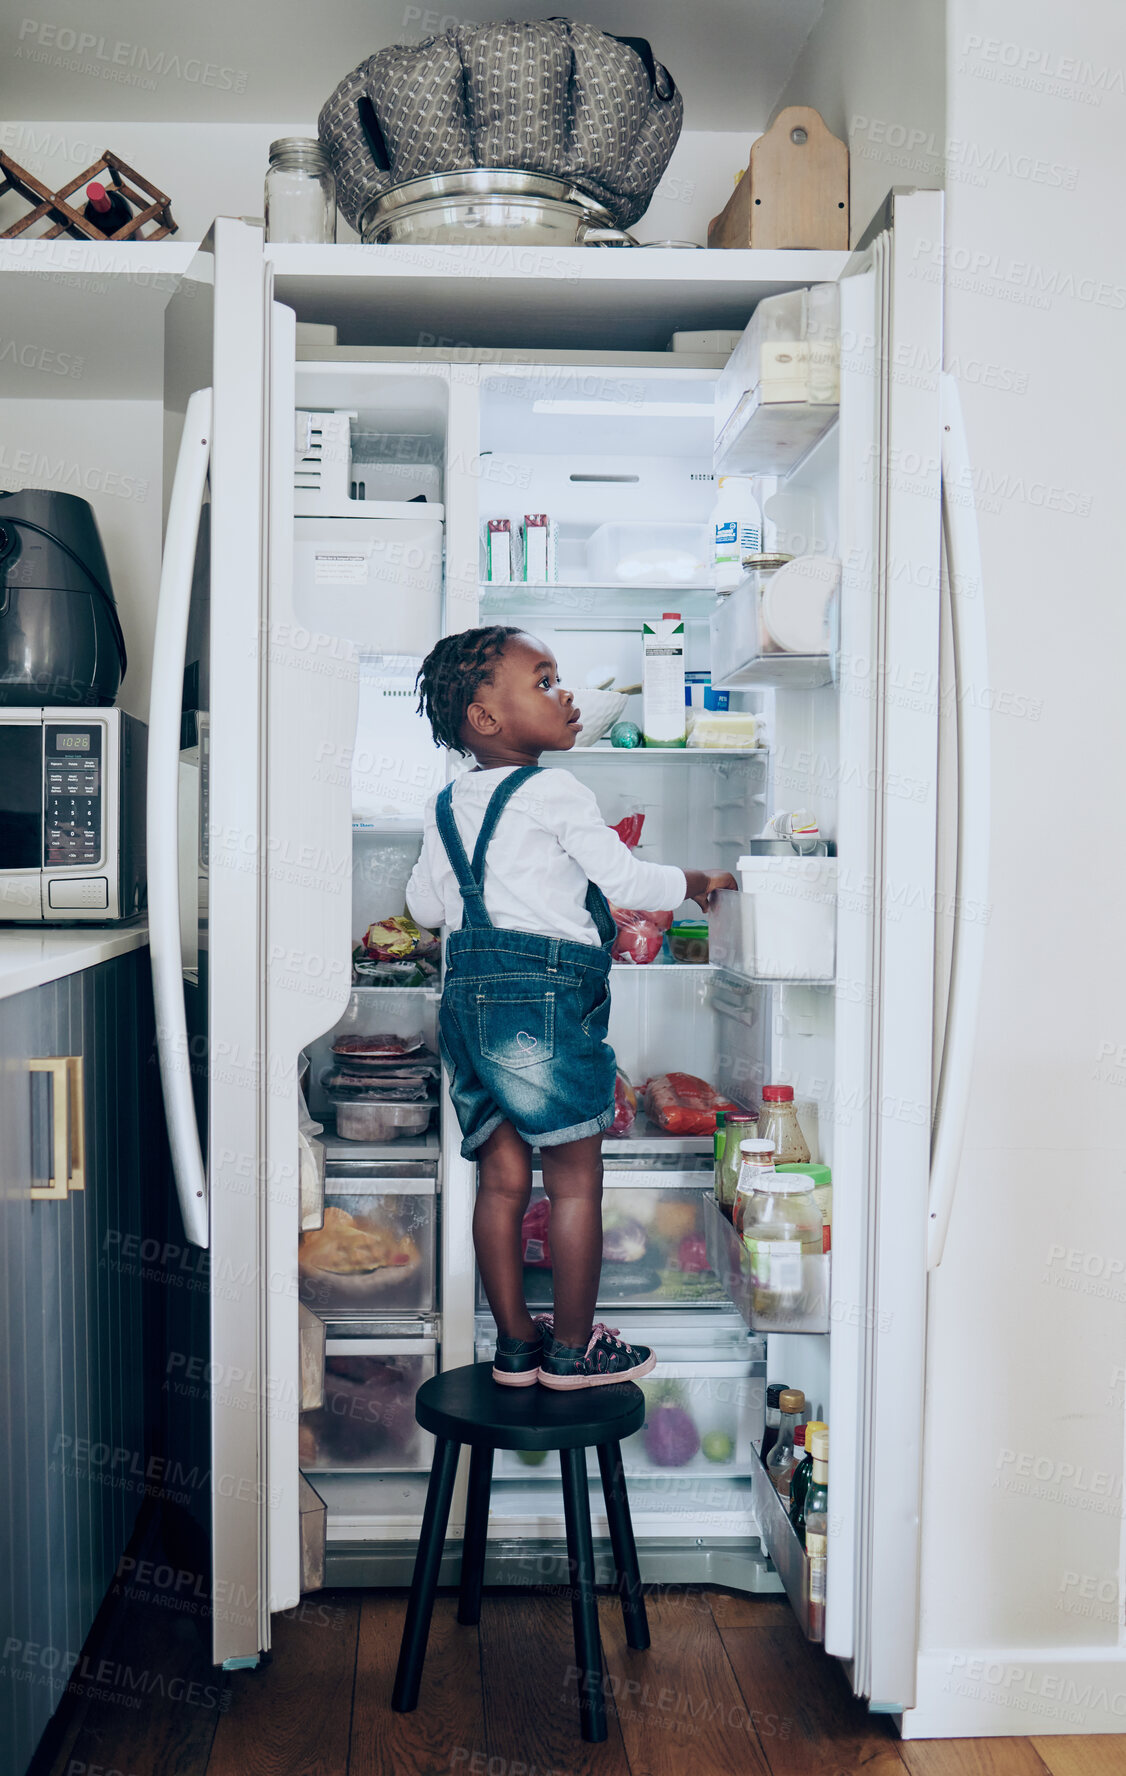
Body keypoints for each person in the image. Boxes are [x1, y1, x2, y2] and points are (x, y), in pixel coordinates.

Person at [406, 625, 735, 1390]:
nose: (567, 694)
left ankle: (517, 1346)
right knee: (577, 1183)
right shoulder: (557, 790)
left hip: (466, 1000)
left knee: (501, 1181)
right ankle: (574, 1350)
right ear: (487, 719)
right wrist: (700, 879)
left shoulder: (446, 802)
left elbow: (425, 906)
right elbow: (627, 883)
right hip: (544, 998)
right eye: (545, 679)